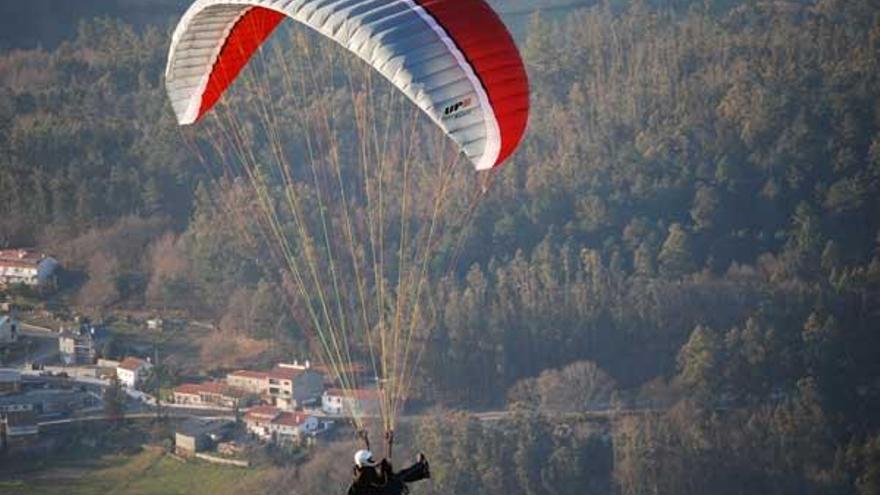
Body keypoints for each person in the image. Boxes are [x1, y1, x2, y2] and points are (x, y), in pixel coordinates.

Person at [347, 449, 430, 495]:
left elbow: (379, 481)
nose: (372, 460)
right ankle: (421, 467)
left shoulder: (360, 472)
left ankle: (422, 470)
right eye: (370, 459)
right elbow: (381, 483)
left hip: (382, 491)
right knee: (398, 478)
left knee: (399, 477)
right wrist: (386, 470)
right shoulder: (364, 474)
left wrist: (385, 470)